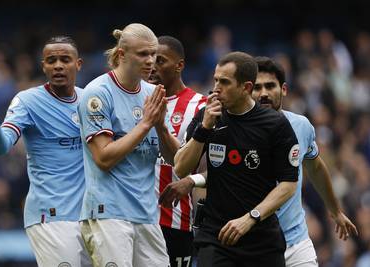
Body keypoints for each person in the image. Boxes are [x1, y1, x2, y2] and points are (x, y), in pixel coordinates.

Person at [0, 36, 91, 267]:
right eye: (51, 60)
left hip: (89, 215)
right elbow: (1, 146)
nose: (58, 65)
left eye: (65, 59)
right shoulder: (27, 101)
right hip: (50, 216)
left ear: (78, 64)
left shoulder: (90, 100)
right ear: (43, 65)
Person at [170, 51, 299, 266]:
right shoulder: (207, 115)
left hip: (262, 240)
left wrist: (251, 218)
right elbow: (181, 168)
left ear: (246, 87)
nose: (216, 88)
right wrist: (204, 128)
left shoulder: (274, 124)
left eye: (225, 82)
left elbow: (288, 184)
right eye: (215, 80)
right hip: (217, 237)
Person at [78, 23, 179, 267]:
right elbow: (103, 158)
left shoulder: (153, 93)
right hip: (108, 212)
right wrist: (145, 124)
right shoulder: (97, 93)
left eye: (154, 54)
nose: (151, 61)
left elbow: (178, 160)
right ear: (121, 55)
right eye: (143, 54)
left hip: (146, 213)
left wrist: (161, 127)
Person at [251, 56, 358, 267]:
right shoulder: (236, 130)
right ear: (247, 90)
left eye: (270, 86)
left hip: (296, 243)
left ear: (284, 89)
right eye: (257, 87)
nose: (263, 93)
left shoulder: (301, 126)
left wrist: (335, 211)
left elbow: (316, 167)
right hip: (253, 247)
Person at [148, 35, 206, 267]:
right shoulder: (134, 100)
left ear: (179, 65)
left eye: (160, 60)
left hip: (175, 220)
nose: (152, 66)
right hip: (133, 217)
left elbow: (197, 166)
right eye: (149, 58)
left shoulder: (200, 107)